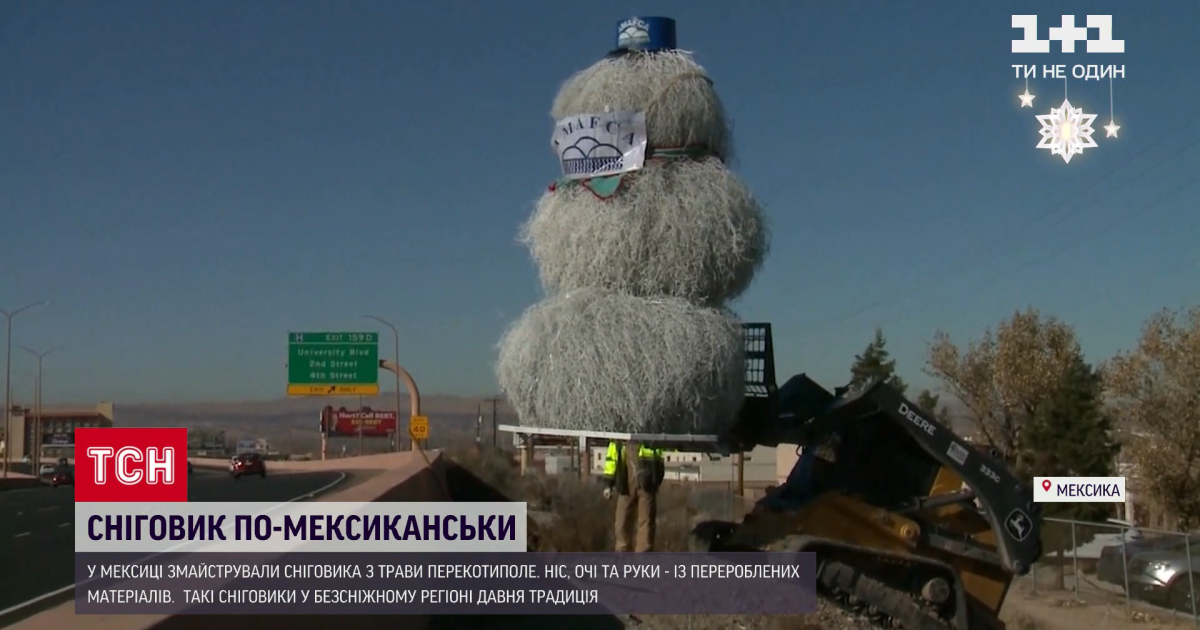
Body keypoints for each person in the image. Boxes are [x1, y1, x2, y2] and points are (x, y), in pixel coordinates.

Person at [602, 440, 666, 552]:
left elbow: (660, 455)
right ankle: (622, 559)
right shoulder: (618, 436)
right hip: (626, 485)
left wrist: (655, 479)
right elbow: (612, 458)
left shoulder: (651, 432)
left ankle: (642, 562)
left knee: (646, 524)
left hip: (647, 484)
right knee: (621, 523)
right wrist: (609, 483)